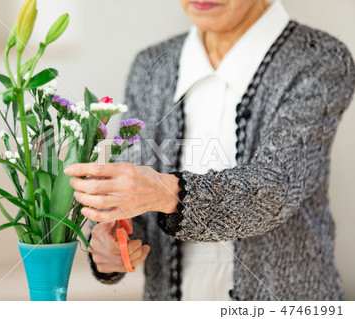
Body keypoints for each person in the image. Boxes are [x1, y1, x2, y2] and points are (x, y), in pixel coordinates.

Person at [64, 0, 355, 300]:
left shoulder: (320, 59)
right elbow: (136, 205)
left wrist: (168, 193)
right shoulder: (151, 66)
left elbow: (275, 188)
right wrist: (113, 242)